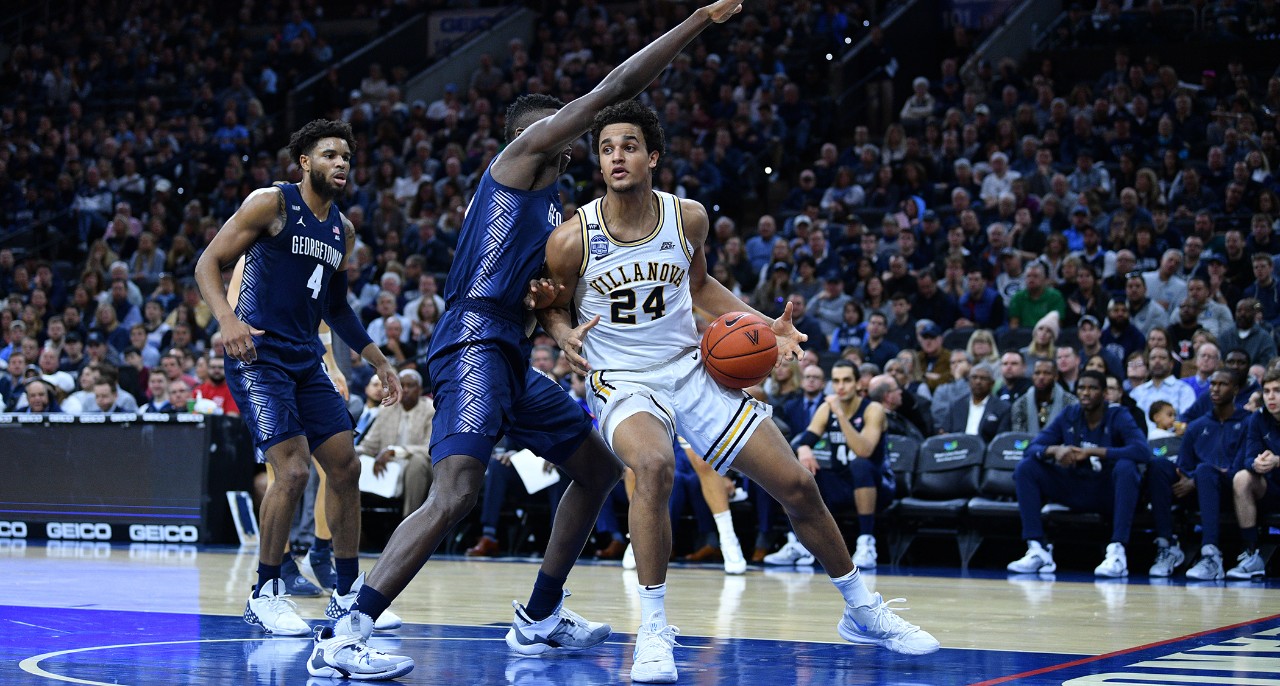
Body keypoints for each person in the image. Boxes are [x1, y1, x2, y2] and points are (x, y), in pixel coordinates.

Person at [311, 6, 757, 679]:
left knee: (600, 468)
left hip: (510, 352)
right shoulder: (518, 161)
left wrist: (555, 318)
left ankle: (541, 614)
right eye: (567, 132)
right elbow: (614, 90)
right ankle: (347, 631)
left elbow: (551, 295)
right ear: (542, 137)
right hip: (472, 343)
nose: (575, 143)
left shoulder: (556, 210)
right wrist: (699, 19)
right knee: (457, 488)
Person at [537, 101, 938, 682]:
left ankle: (861, 610)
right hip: (622, 380)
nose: (616, 156)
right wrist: (562, 332)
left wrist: (761, 323)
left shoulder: (688, 219)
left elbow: (699, 286)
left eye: (628, 146)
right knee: (652, 467)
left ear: (651, 156)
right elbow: (552, 306)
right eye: (605, 148)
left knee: (797, 485)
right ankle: (652, 630)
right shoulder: (573, 239)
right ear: (597, 162)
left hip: (691, 369)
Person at [193, 121, 403, 648]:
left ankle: (348, 591)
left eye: (347, 157)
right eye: (330, 155)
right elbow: (208, 263)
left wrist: (378, 360)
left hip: (307, 358)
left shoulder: (342, 230)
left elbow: (335, 306)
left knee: (345, 466)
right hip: (258, 355)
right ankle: (265, 593)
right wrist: (227, 319)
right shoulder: (272, 203)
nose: (341, 164)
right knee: (289, 470)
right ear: (304, 162)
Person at [1007, 371, 1149, 578]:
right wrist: (1054, 450)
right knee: (1027, 467)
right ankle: (1037, 549)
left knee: (1126, 467)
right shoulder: (1069, 414)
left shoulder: (1119, 415)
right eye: (1082, 388)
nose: (1085, 393)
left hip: (1109, 492)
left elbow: (1142, 451)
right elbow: (1031, 447)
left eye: (1092, 388)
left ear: (1104, 394)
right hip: (1076, 487)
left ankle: (1117, 551)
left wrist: (1093, 452)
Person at [777, 362, 894, 572]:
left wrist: (840, 415)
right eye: (837, 381)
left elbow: (864, 451)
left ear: (858, 384)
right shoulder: (826, 408)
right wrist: (804, 449)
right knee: (792, 474)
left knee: (860, 466)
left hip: (877, 485)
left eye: (847, 380)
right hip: (841, 483)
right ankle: (797, 544)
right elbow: (804, 440)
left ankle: (866, 543)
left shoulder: (873, 409)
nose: (841, 386)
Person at [1160, 370, 1249, 580]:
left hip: (1234, 493)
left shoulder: (1248, 422)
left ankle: (1212, 555)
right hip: (1199, 491)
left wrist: (1197, 479)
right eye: (1212, 384)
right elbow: (1183, 467)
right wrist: (1194, 479)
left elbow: (1239, 469)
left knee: (1205, 470)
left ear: (1235, 389)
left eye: (1223, 384)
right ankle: (1166, 546)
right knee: (1158, 466)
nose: (1215, 388)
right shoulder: (1197, 426)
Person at [354, 369, 435, 518]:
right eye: (401, 385)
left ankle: (410, 523)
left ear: (420, 390)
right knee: (350, 459)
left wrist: (393, 451)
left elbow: (429, 447)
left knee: (417, 463)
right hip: (386, 465)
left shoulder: (430, 409)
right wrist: (351, 452)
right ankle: (353, 521)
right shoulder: (387, 409)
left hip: (413, 464)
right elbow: (369, 445)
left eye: (410, 385)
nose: (405, 389)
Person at [1230, 368, 1280, 579]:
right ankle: (1252, 554)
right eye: (1267, 391)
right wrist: (1257, 464)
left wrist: (1278, 460)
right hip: (1272, 490)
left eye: (1277, 391)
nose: (1271, 396)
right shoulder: (1258, 419)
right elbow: (1247, 458)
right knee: (1241, 478)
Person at [942, 361, 1010, 441]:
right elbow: (944, 432)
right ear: (969, 381)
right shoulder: (956, 405)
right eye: (974, 377)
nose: (978, 382)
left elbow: (1002, 440)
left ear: (992, 383)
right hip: (958, 450)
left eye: (983, 378)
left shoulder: (1003, 408)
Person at [1010, 358, 1079, 434]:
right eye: (1037, 373)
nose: (1041, 377)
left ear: (1056, 377)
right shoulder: (1021, 404)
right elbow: (1018, 437)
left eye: (1046, 373)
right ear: (1032, 376)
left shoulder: (1071, 403)